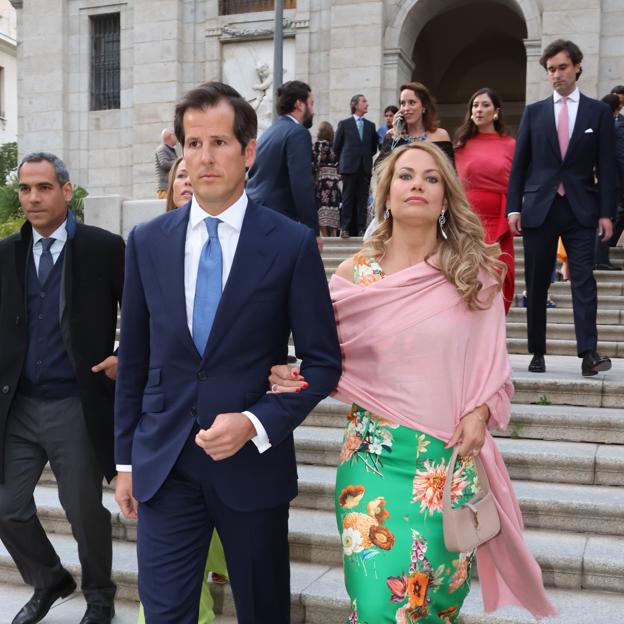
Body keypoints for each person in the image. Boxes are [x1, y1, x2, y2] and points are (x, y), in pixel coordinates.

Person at [269, 141, 555, 623]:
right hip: (372, 463)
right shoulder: (353, 274)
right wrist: (292, 373)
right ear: (385, 193)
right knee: (380, 606)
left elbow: (492, 367)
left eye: (431, 177)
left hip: (445, 464)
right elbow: (329, 358)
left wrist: (481, 412)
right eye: (405, 176)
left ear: (446, 197)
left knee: (430, 607)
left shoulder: (472, 274)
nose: (417, 185)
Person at [113, 81, 342, 624]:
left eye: (218, 142)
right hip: (165, 464)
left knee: (262, 612)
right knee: (165, 614)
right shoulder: (148, 241)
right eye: (193, 144)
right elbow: (135, 363)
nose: (204, 157)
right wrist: (125, 460)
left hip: (250, 466)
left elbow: (323, 360)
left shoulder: (288, 243)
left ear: (249, 151)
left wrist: (256, 423)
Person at [0, 152, 124, 624]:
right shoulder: (6, 254)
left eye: (44, 188)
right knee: (6, 507)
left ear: (66, 191)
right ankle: (49, 578)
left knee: (82, 509)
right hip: (19, 405)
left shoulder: (102, 248)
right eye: (25, 189)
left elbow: (144, 307)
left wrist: (126, 352)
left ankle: (99, 595)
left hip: (75, 402)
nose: (33, 198)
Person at [138, 154, 228, 624]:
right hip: (167, 439)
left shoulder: (260, 242)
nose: (191, 181)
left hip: (235, 445)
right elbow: (136, 343)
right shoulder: (148, 244)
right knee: (168, 599)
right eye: (181, 176)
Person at [507, 39, 616, 376]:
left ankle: (589, 353)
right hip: (539, 208)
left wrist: (607, 213)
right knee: (538, 282)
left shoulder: (597, 112)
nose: (556, 75)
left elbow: (608, 166)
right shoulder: (534, 112)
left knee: (583, 279)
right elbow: (520, 165)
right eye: (551, 70)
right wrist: (514, 208)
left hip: (582, 209)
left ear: (577, 67)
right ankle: (537, 351)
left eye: (562, 67)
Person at [455, 88, 516, 313]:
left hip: (498, 219)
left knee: (498, 274)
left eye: (485, 105)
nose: (479, 110)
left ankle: (493, 327)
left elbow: (518, 181)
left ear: (496, 111)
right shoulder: (461, 144)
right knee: (468, 276)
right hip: (468, 221)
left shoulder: (510, 144)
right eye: (475, 105)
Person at [246, 80, 322, 250]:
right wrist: (312, 230)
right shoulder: (298, 133)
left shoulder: (269, 133)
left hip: (256, 216)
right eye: (311, 103)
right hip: (276, 221)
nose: (313, 110)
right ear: (299, 104)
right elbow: (301, 183)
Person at [334, 94, 378, 237]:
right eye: (364, 101)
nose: (367, 104)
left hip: (364, 168)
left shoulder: (371, 126)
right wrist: (344, 161)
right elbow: (337, 146)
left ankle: (361, 228)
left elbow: (373, 148)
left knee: (362, 199)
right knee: (347, 197)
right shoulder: (344, 124)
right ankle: (345, 228)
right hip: (349, 167)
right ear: (355, 104)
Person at [378, 82, 454, 165]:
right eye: (403, 103)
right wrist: (396, 136)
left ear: (424, 107)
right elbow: (379, 168)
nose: (406, 108)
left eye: (412, 103)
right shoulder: (392, 136)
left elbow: (450, 170)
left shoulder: (440, 135)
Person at [594, 94, 624, 270]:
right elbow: (619, 156)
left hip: (592, 181)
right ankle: (601, 259)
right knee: (608, 217)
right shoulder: (611, 126)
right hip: (610, 180)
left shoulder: (594, 123)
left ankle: (598, 259)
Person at [312, 121, 342, 237]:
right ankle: (334, 233)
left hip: (322, 181)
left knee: (322, 205)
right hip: (334, 181)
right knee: (333, 205)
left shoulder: (318, 145)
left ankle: (324, 234)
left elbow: (315, 162)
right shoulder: (334, 146)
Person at [155, 128, 178, 198]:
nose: (176, 138)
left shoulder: (169, 150)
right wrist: (179, 162)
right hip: (165, 190)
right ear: (170, 136)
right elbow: (164, 164)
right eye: (175, 135)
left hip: (170, 188)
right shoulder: (162, 149)